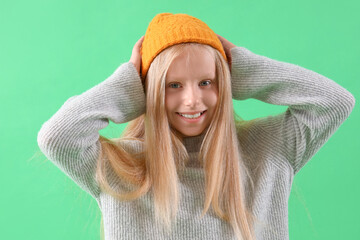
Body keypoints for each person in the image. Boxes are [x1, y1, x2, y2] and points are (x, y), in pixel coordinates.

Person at [37, 13, 355, 240]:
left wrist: (245, 70)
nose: (192, 99)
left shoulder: (269, 149)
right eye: (173, 85)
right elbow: (57, 136)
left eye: (206, 82)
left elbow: (335, 102)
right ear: (147, 90)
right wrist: (131, 86)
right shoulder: (120, 167)